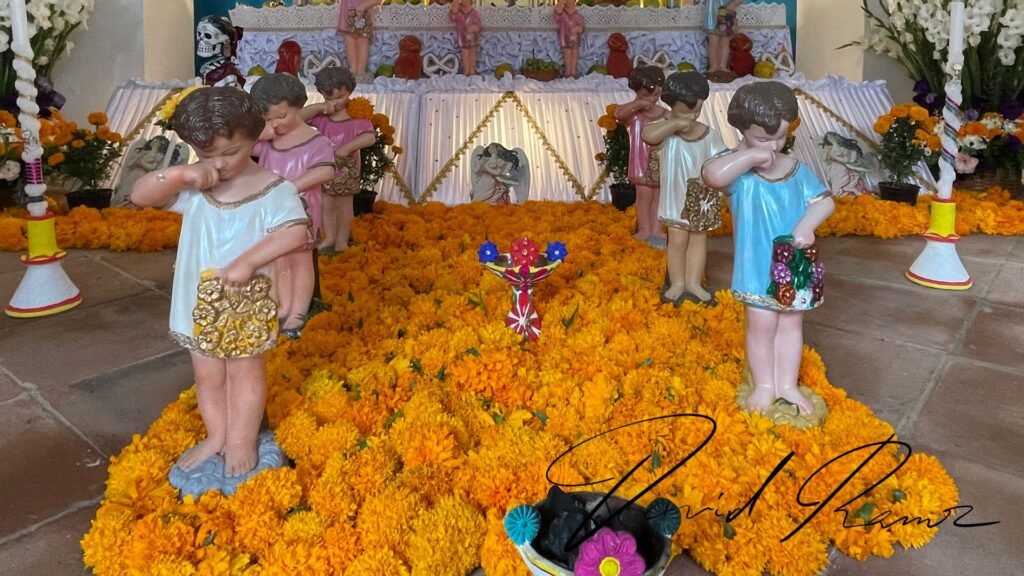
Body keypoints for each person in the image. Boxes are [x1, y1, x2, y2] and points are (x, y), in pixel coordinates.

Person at [127, 87, 310, 476]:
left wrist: (248, 261)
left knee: (245, 372)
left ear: (255, 136)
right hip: (198, 303)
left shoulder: (274, 189)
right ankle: (217, 436)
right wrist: (179, 173)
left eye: (231, 152)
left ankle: (241, 440)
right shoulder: (196, 187)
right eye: (208, 155)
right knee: (207, 375)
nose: (221, 165)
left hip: (246, 302)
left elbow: (295, 233)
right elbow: (140, 196)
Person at [702, 81, 835, 416]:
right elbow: (712, 175)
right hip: (756, 267)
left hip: (792, 265)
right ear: (742, 128)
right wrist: (749, 155)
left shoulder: (795, 169)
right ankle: (764, 385)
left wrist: (806, 226)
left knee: (791, 324)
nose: (774, 146)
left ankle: (786, 384)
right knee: (762, 325)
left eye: (781, 137)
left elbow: (824, 202)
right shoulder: (737, 172)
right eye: (763, 138)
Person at [250, 74, 337, 338]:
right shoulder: (267, 141)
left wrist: (290, 187)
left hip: (301, 212)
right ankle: (283, 305)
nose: (275, 124)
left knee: (300, 261)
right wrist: (261, 131)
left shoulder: (315, 141)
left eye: (281, 116)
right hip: (271, 214)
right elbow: (243, 149)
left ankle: (298, 312)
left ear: (298, 106)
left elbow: (326, 171)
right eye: (268, 119)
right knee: (279, 260)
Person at [642, 71, 727, 305]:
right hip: (675, 199)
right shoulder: (666, 133)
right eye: (684, 112)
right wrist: (674, 123)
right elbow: (648, 135)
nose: (691, 117)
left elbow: (721, 160)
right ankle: (677, 283)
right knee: (677, 241)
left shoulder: (709, 135)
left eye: (696, 111)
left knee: (698, 240)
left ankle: (693, 282)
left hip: (701, 200)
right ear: (671, 106)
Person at [300, 66, 376, 253]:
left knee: (344, 205)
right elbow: (298, 119)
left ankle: (342, 240)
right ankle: (330, 236)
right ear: (322, 94)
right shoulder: (322, 118)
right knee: (326, 204)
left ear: (350, 92)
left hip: (347, 169)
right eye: (330, 98)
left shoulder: (356, 118)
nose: (336, 102)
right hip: (325, 168)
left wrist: (347, 148)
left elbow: (370, 137)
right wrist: (319, 107)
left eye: (341, 96)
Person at [616, 66, 669, 243]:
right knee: (644, 197)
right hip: (641, 163)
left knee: (658, 197)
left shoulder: (664, 114)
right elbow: (618, 113)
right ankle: (645, 228)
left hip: (660, 163)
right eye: (646, 95)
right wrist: (638, 104)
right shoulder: (634, 115)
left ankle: (657, 228)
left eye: (656, 95)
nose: (652, 99)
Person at [112, 136, 186, 207]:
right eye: (154, 140)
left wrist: (141, 162)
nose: (155, 141)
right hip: (134, 176)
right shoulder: (143, 152)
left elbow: (153, 167)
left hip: (145, 178)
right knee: (124, 193)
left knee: (138, 197)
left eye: (158, 141)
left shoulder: (160, 156)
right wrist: (138, 159)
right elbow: (130, 163)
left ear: (162, 144)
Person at [337, 0, 380, 78]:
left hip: (362, 14)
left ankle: (361, 71)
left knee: (362, 41)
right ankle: (353, 69)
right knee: (350, 42)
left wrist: (364, 5)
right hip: (347, 13)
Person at [705, 0, 743, 80]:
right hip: (712, 12)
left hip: (726, 12)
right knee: (713, 41)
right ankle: (713, 66)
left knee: (725, 41)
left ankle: (722, 65)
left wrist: (732, 5)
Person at [449, 0, 482, 76]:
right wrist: (456, 2)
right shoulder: (459, 13)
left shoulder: (474, 13)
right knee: (465, 54)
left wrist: (474, 27)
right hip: (462, 37)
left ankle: (472, 70)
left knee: (472, 53)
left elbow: (479, 24)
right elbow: (452, 16)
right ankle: (466, 70)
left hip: (472, 37)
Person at [554, 0, 585, 79]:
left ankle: (573, 71)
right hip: (565, 37)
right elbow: (557, 13)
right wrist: (561, 3)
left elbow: (582, 27)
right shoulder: (562, 14)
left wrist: (578, 29)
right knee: (567, 53)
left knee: (575, 53)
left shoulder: (578, 15)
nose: (569, 1)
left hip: (575, 39)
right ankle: (568, 71)